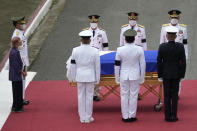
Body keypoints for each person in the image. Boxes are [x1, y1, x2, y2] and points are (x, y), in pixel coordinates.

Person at [67, 30, 100, 123]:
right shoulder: (95, 50)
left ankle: (82, 117)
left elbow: (73, 65)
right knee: (89, 96)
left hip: (80, 75)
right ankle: (88, 117)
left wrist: (72, 77)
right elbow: (97, 66)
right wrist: (97, 79)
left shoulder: (75, 50)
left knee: (81, 96)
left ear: (81, 40)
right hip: (90, 76)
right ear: (90, 40)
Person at [115, 29, 146, 122]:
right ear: (134, 39)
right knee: (134, 95)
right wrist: (142, 77)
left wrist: (117, 77)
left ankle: (125, 116)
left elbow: (116, 64)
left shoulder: (119, 49)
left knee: (124, 96)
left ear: (125, 39)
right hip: (135, 75)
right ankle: (132, 115)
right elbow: (143, 64)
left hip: (124, 75)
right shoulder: (139, 49)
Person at [157, 26, 186, 122]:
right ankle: (174, 116)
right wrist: (182, 75)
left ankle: (167, 116)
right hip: (176, 74)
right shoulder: (180, 46)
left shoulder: (162, 46)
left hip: (165, 74)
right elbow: (183, 62)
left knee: (166, 95)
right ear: (176, 36)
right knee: (174, 95)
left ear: (166, 36)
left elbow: (159, 62)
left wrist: (160, 75)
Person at [160, 10, 188, 95]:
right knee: (167, 73)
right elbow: (161, 42)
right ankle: (168, 92)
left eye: (176, 17)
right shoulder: (164, 27)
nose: (174, 19)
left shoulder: (183, 28)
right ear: (169, 18)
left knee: (178, 73)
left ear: (179, 18)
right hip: (167, 54)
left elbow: (185, 43)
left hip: (179, 54)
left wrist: (185, 56)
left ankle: (177, 93)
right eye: (172, 17)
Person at [82, 15, 108, 101]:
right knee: (88, 74)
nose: (93, 24)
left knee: (98, 74)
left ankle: (96, 94)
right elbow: (81, 45)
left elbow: (105, 45)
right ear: (90, 22)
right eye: (92, 22)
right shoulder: (85, 32)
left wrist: (105, 55)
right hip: (88, 55)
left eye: (95, 22)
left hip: (99, 55)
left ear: (98, 22)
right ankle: (88, 93)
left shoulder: (102, 32)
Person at [11, 16, 30, 105]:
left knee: (23, 80)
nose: (24, 24)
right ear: (17, 25)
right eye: (22, 23)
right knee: (21, 80)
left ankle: (21, 98)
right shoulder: (17, 35)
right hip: (21, 60)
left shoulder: (20, 32)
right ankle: (20, 99)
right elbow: (17, 48)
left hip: (23, 59)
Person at [9, 37, 27, 112]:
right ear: (16, 43)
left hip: (16, 74)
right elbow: (16, 65)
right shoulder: (14, 53)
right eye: (19, 41)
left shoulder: (15, 51)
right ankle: (17, 107)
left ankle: (17, 105)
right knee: (17, 91)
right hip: (15, 75)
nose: (20, 42)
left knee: (18, 90)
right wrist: (22, 72)